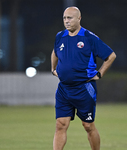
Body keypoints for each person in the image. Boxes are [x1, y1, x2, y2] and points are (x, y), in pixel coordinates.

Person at [51, 6, 116, 150]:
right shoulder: (60, 36)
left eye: (70, 18)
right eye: (64, 18)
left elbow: (111, 56)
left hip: (84, 88)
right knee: (60, 124)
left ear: (79, 18)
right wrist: (53, 69)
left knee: (88, 125)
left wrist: (99, 74)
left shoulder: (89, 37)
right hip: (64, 89)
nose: (66, 21)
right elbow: (55, 52)